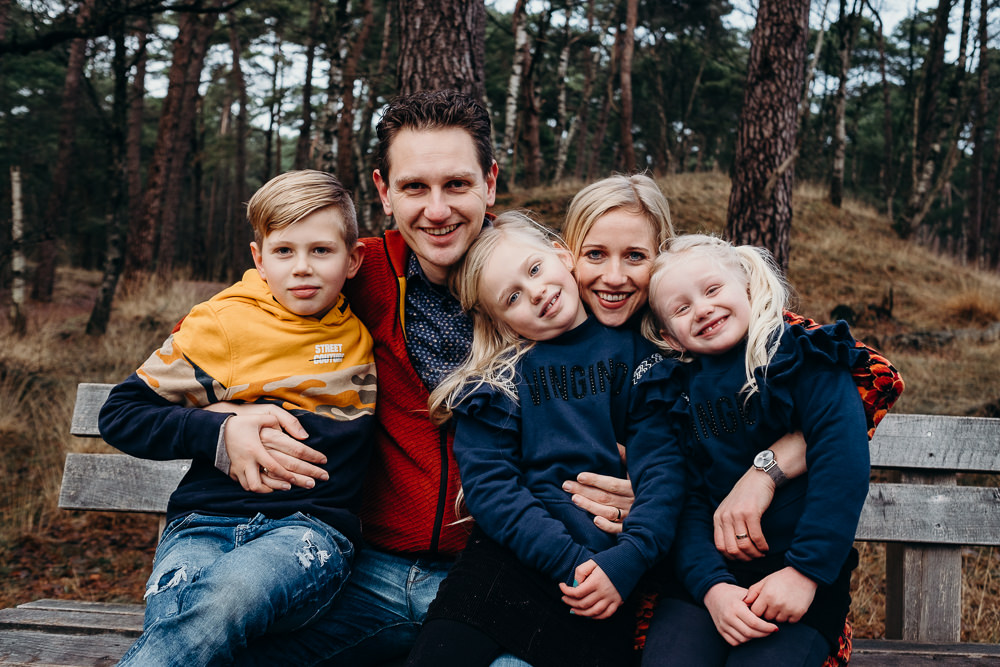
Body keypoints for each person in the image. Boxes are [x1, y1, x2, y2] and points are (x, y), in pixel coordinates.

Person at [97, 170, 376, 665]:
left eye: (322, 251)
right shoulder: (224, 325)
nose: (302, 269)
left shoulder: (366, 327)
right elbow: (121, 413)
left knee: (225, 598)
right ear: (259, 259)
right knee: (178, 606)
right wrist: (220, 428)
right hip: (202, 522)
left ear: (353, 260)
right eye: (284, 251)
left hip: (306, 532)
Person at [404, 213, 686, 667]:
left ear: (562, 256)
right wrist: (568, 560)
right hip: (509, 562)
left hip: (608, 576)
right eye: (512, 297)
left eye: (534, 270)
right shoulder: (499, 380)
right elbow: (492, 489)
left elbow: (662, 474)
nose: (535, 292)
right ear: (501, 321)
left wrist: (630, 559)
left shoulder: (637, 360)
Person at [638, 234, 872, 666]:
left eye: (712, 290)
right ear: (670, 337)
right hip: (708, 579)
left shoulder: (801, 357)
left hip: (799, 572)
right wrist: (712, 587)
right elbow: (683, 497)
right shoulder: (675, 392)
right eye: (682, 308)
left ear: (746, 284)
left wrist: (805, 573)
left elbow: (843, 465)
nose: (703, 309)